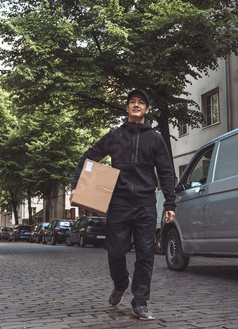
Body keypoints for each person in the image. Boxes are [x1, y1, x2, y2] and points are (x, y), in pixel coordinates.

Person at [70, 89, 176, 320]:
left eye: (141, 103)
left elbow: (167, 172)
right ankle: (120, 282)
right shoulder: (115, 136)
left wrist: (170, 203)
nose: (136, 105)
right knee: (115, 251)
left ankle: (140, 301)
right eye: (132, 102)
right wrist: (76, 185)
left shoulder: (155, 139)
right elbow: (88, 157)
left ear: (147, 109)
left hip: (146, 204)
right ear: (127, 108)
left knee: (146, 254)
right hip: (118, 203)